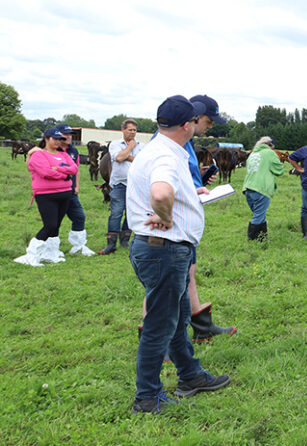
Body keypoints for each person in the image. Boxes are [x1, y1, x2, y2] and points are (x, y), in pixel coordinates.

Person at [126, 95, 229, 414]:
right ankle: (147, 397)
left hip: (159, 249)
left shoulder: (157, 147)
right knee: (160, 324)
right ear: (187, 125)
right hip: (165, 250)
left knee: (179, 316)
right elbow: (160, 192)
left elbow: (164, 189)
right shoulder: (167, 156)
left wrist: (190, 193)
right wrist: (167, 215)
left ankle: (191, 376)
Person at [139, 95, 236, 344]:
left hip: (181, 221)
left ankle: (200, 327)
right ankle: (157, 340)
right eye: (208, 120)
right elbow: (159, 186)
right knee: (163, 283)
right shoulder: (171, 143)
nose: (209, 126)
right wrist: (164, 215)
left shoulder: (186, 143)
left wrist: (199, 181)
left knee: (187, 274)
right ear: (192, 118)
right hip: (167, 227)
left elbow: (178, 178)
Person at [14, 128, 77, 267]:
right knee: (50, 225)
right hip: (46, 195)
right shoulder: (38, 155)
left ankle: (51, 254)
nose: (57, 142)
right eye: (54, 139)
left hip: (65, 194)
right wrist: (65, 175)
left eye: (60, 139)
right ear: (47, 139)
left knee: (56, 226)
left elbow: (74, 169)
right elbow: (45, 172)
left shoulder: (63, 155)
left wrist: (58, 169)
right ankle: (31, 255)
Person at [99, 119, 144, 255]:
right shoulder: (115, 144)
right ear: (123, 130)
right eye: (130, 130)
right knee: (116, 213)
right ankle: (111, 244)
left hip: (136, 185)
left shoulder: (142, 146)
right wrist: (130, 148)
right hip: (119, 184)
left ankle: (125, 240)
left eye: (135, 130)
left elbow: (142, 160)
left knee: (131, 213)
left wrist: (127, 156)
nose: (132, 132)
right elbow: (118, 158)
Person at [50, 123, 96, 257]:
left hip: (71, 191)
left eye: (70, 134)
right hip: (56, 191)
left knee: (79, 217)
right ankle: (51, 249)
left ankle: (78, 246)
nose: (68, 137)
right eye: (65, 134)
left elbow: (77, 170)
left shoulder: (73, 151)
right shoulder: (52, 150)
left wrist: (77, 186)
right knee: (54, 221)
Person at [242, 136, 285, 241]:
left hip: (248, 188)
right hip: (261, 188)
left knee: (259, 213)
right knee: (258, 215)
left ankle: (262, 239)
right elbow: (279, 170)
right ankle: (252, 240)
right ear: (270, 145)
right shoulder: (269, 153)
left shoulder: (252, 154)